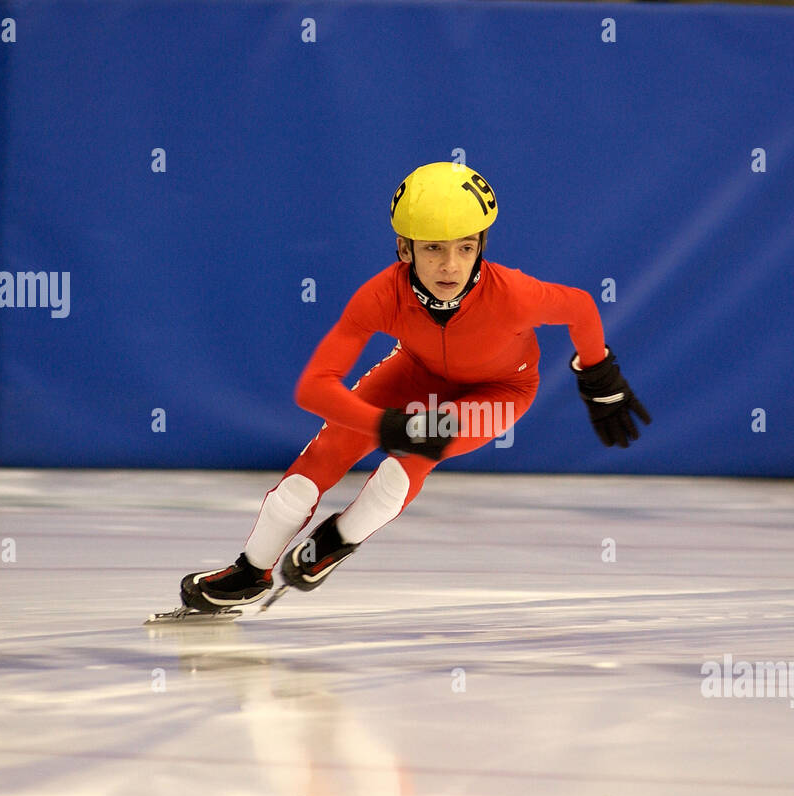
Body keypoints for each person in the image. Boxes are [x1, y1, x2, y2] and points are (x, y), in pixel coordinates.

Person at [178, 162, 650, 611]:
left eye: (465, 247)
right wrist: (384, 424)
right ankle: (247, 574)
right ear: (405, 250)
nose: (450, 265)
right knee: (319, 460)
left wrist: (598, 377)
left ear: (481, 246)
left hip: (499, 390)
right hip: (414, 373)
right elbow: (313, 389)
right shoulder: (382, 295)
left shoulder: (514, 296)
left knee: (413, 457)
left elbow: (582, 307)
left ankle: (338, 541)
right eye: (433, 249)